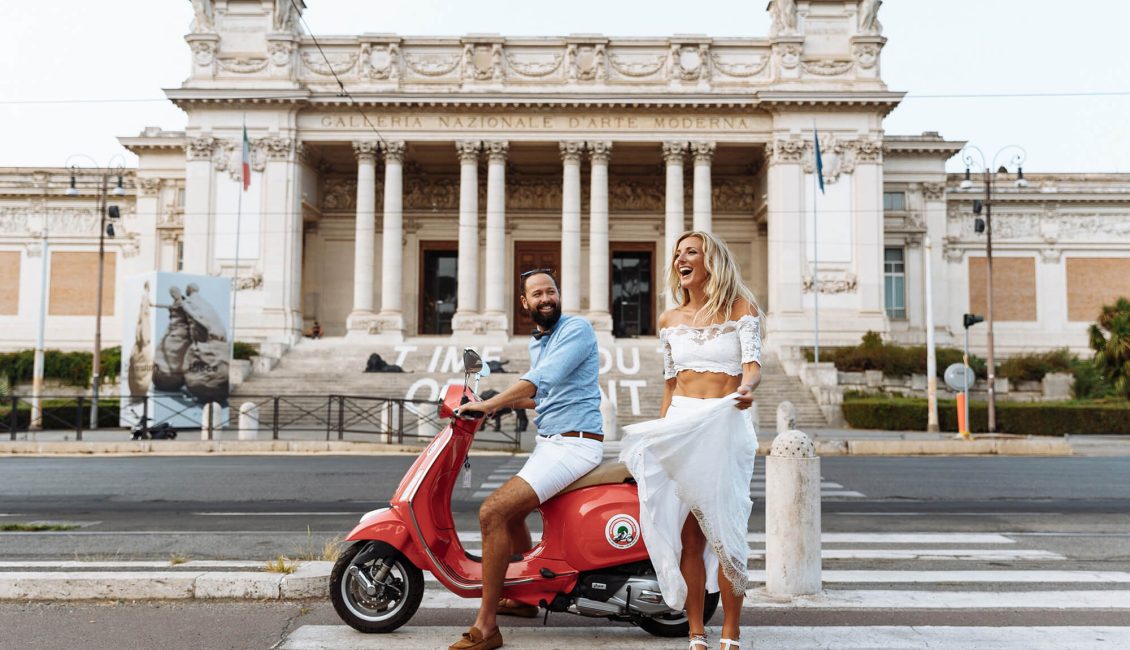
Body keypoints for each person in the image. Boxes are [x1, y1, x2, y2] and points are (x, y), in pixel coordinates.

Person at [619, 231, 762, 650]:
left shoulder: (741, 309)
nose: (681, 259)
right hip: (680, 425)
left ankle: (731, 632)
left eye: (691, 252)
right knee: (691, 538)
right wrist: (661, 433)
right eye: (678, 253)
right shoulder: (669, 320)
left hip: (724, 423)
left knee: (726, 533)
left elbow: (753, 366)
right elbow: (670, 384)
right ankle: (695, 631)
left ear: (710, 261)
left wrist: (748, 388)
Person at [450, 269, 604, 650]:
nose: (546, 298)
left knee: (493, 512)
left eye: (551, 291)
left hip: (575, 443)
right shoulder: (540, 343)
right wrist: (489, 404)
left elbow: (543, 378)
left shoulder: (576, 329)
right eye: (537, 294)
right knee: (512, 514)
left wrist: (491, 403)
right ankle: (523, 599)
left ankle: (486, 627)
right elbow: (541, 397)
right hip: (551, 442)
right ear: (524, 302)